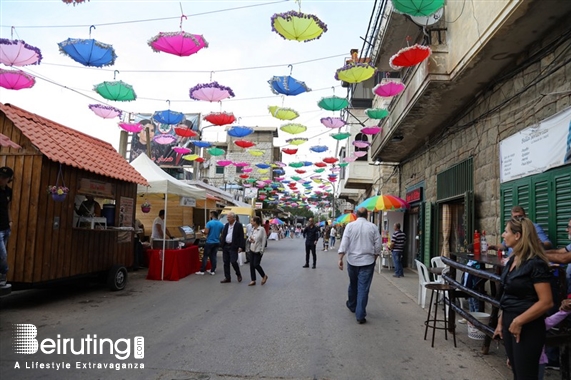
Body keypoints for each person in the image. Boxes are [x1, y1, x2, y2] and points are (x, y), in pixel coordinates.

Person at [493, 216, 553, 379]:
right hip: (509, 323)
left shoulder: (535, 263)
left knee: (526, 375)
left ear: (517, 235)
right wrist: (501, 322)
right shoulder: (513, 259)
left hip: (527, 326)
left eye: (506, 232)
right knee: (517, 373)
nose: (503, 235)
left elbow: (546, 301)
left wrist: (519, 321)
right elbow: (507, 292)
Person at [337, 207, 382, 324]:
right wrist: (375, 256)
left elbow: (344, 243)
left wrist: (340, 258)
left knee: (353, 284)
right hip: (367, 261)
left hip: (352, 261)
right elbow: (378, 244)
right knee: (363, 288)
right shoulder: (373, 227)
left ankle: (352, 305)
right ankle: (360, 314)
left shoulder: (350, 226)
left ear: (356, 215)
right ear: (367, 215)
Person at [219, 212, 245, 283]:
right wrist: (222, 243)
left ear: (233, 218)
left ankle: (238, 274)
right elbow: (223, 234)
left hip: (233, 246)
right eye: (227, 217)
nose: (227, 219)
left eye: (229, 217)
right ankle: (227, 277)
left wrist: (241, 246)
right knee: (225, 262)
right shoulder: (227, 225)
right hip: (226, 246)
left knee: (233, 261)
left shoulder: (238, 225)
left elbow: (241, 237)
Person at [196, 211, 224, 276]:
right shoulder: (221, 224)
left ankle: (202, 270)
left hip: (209, 241)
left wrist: (202, 231)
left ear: (212, 215)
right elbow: (222, 233)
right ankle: (213, 270)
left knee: (205, 256)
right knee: (213, 256)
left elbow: (206, 232)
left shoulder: (209, 223)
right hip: (217, 241)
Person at [0, 167, 14, 287]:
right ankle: (4, 272)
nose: (1, 179)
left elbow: (8, 207)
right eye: (0, 177)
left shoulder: (9, 191)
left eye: (4, 178)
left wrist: (10, 221)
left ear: (9, 179)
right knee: (2, 253)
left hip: (5, 227)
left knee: (1, 253)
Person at [247, 216, 268, 286]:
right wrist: (250, 239)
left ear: (255, 222)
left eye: (252, 221)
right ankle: (253, 280)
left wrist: (262, 250)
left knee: (256, 264)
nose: (251, 222)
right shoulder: (253, 229)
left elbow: (264, 240)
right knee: (251, 265)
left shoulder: (261, 229)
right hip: (252, 248)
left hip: (258, 250)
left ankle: (264, 276)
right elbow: (249, 237)